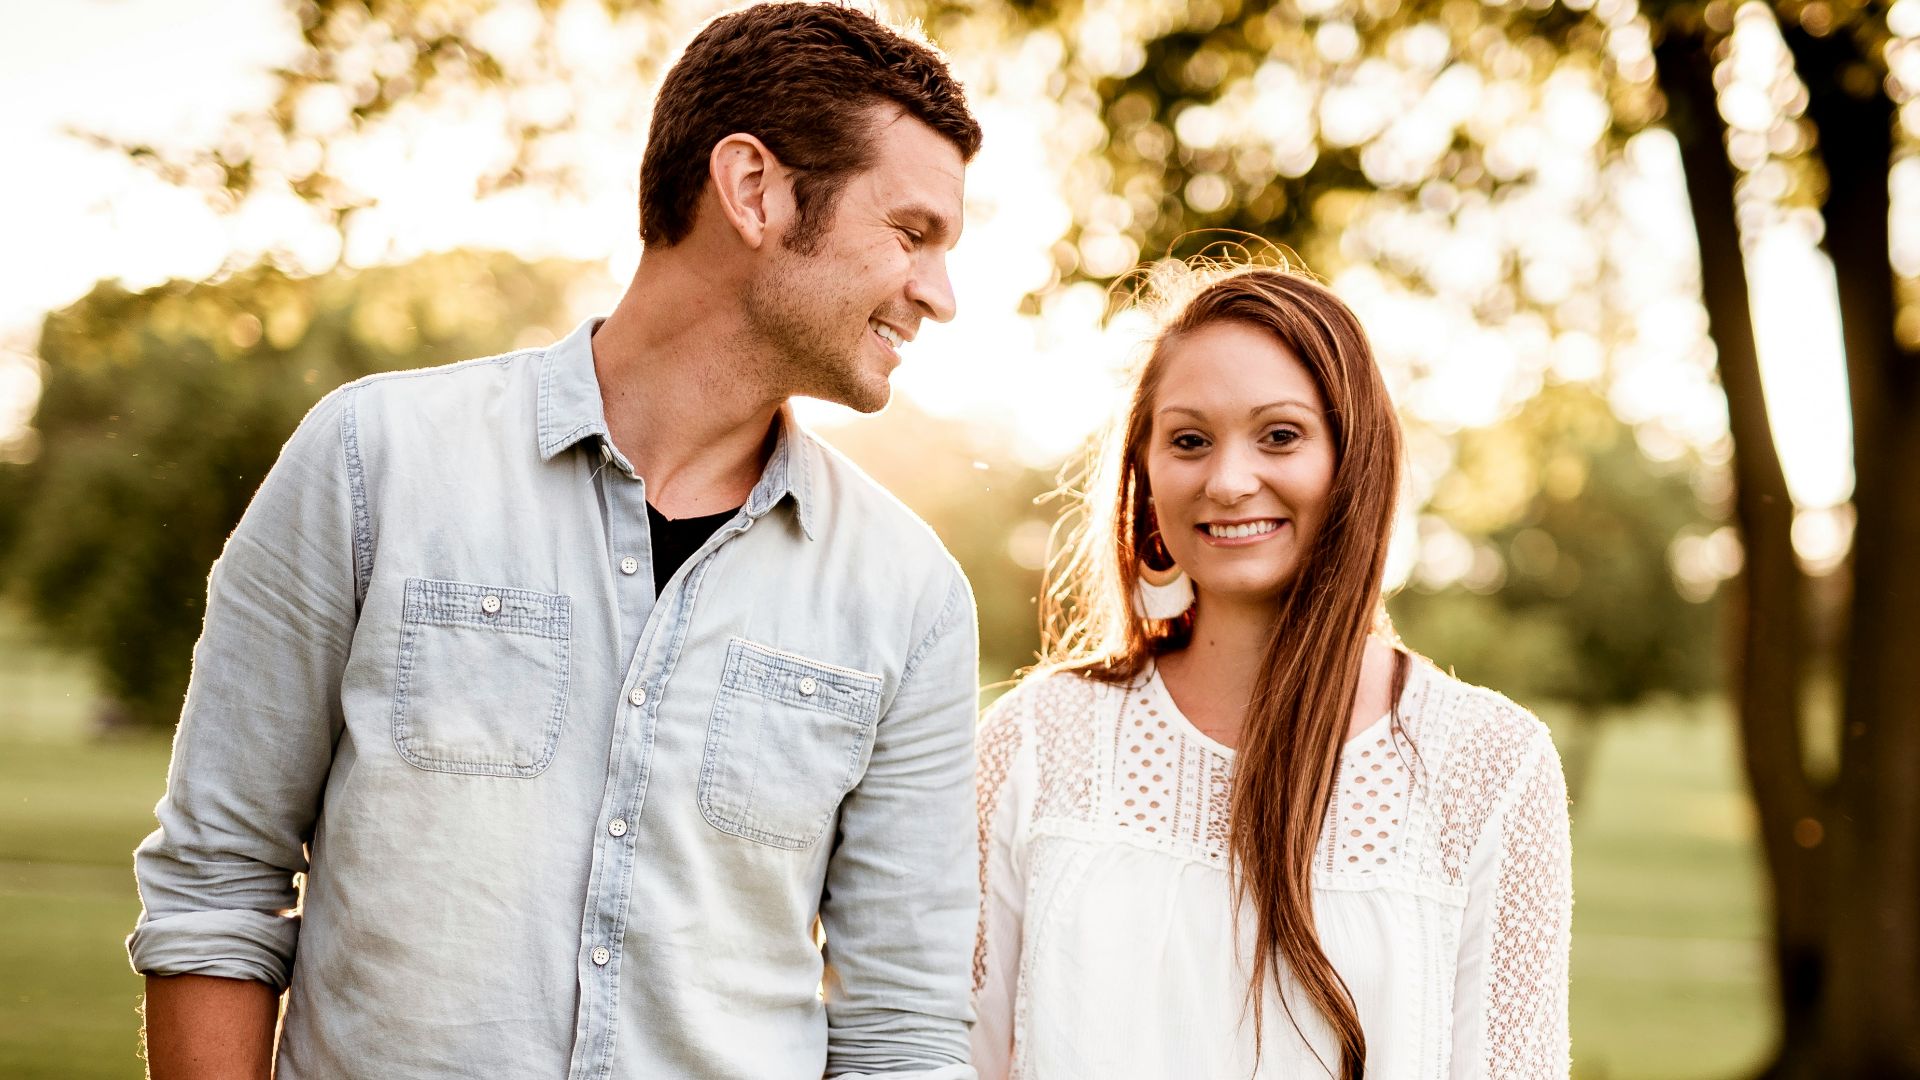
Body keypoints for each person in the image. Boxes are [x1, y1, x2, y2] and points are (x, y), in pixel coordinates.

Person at [128, 5, 985, 1077]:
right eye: (913, 233)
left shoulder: (910, 595)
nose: (939, 296)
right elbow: (217, 889)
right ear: (755, 190)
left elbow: (901, 1025)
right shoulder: (372, 462)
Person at [970, 265, 1573, 1079]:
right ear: (1146, 476)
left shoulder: (1490, 765)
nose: (1227, 480)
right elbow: (945, 1051)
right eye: (1189, 440)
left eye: (1280, 435)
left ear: (1354, 459)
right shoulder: (1038, 744)